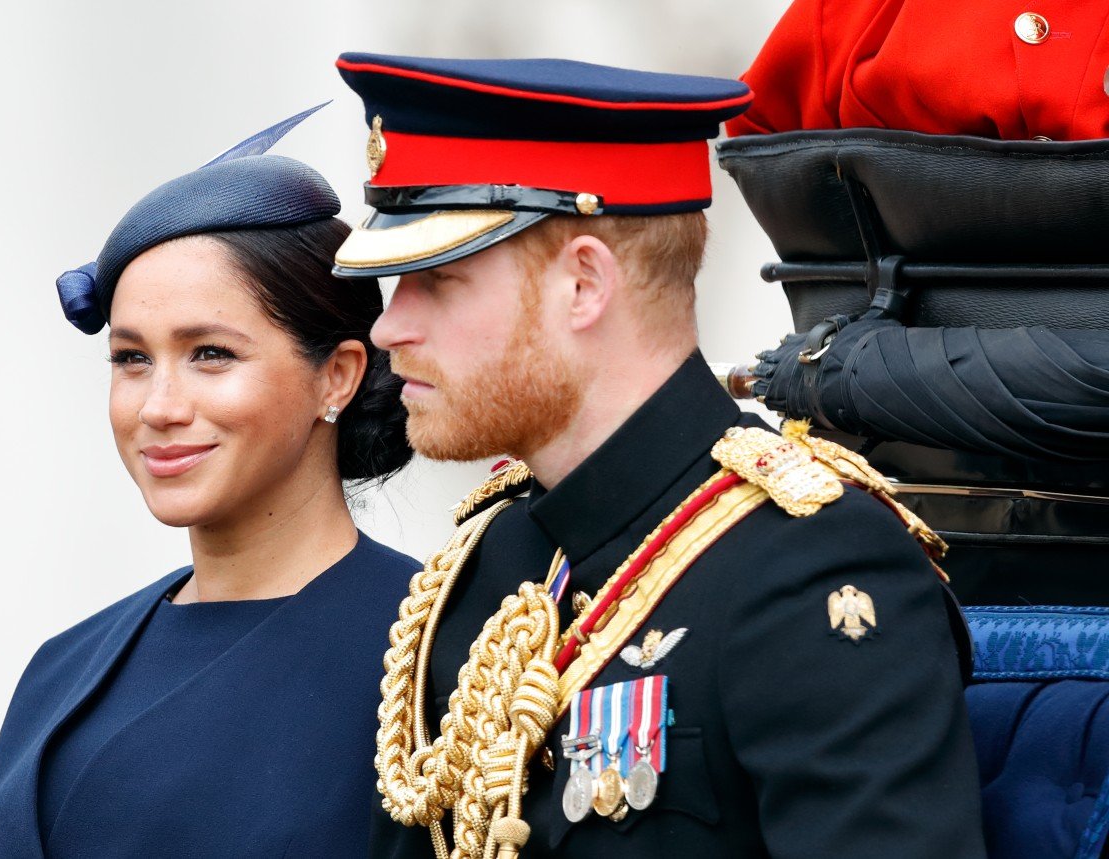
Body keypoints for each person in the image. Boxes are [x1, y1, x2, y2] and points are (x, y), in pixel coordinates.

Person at [329, 54, 987, 858]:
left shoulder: (809, 567)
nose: (390, 328)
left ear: (583, 285)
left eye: (437, 280)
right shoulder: (480, 570)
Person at [0, 110, 418, 858]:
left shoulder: (430, 657)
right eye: (132, 358)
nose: (159, 407)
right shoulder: (62, 667)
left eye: (209, 353)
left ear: (336, 374)